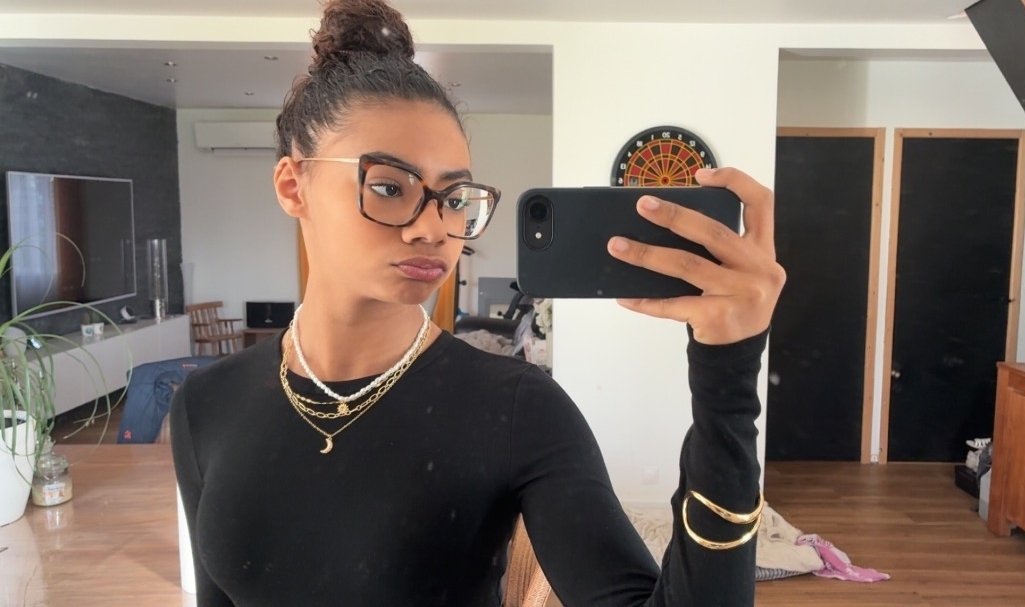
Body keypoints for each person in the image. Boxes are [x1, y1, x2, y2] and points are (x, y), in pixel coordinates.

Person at [169, 0, 785, 605]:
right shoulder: (206, 405)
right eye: (389, 187)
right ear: (292, 185)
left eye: (454, 198)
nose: (434, 228)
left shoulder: (515, 408)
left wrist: (728, 375)